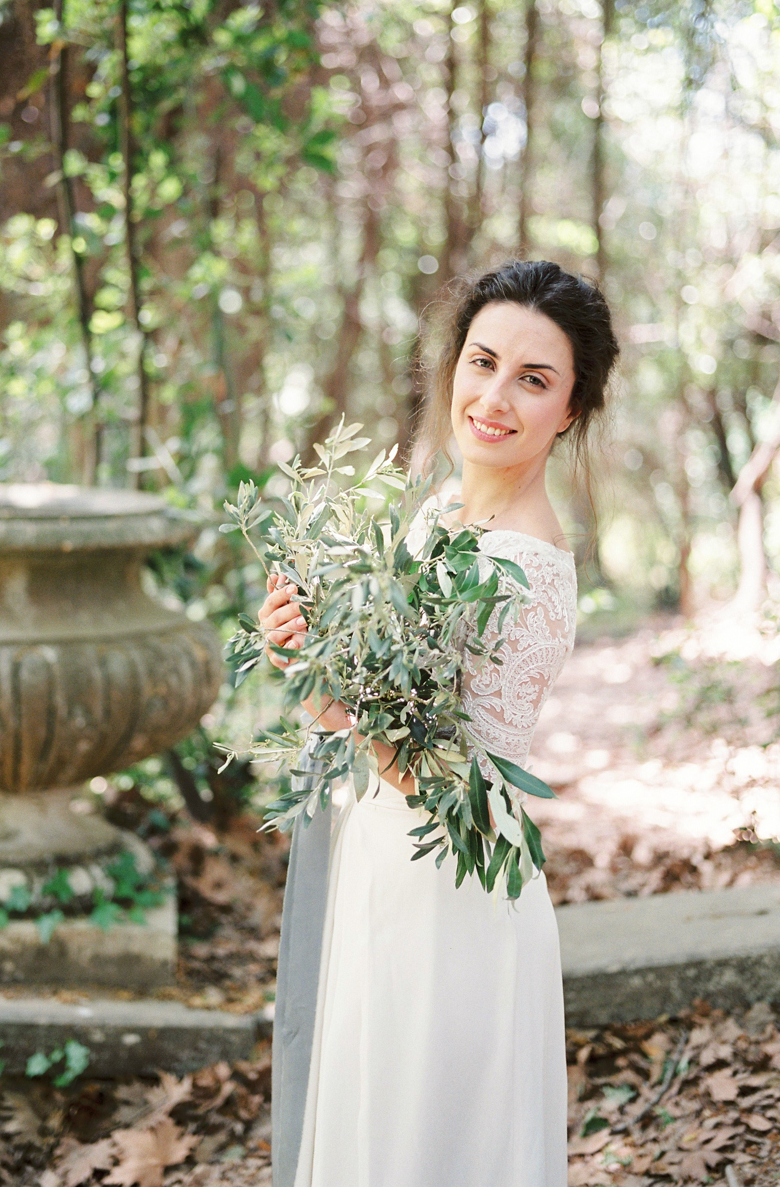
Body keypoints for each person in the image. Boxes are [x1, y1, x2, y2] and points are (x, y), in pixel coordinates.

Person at [258, 260, 620, 1187]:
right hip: (376, 864)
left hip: (452, 895)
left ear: (571, 410)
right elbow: (363, 711)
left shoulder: (530, 571)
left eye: (534, 379)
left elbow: (455, 781)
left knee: (424, 1145)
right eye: (482, 360)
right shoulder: (437, 512)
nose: (494, 397)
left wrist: (340, 688)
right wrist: (304, 645)